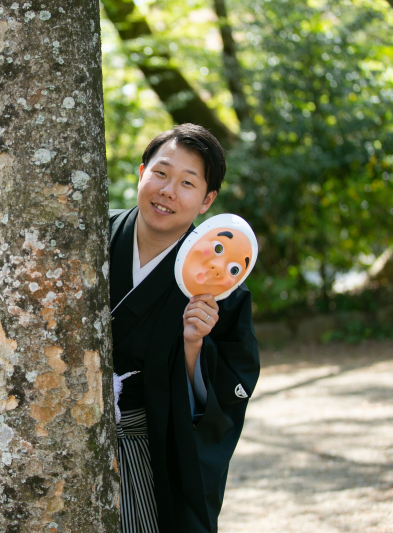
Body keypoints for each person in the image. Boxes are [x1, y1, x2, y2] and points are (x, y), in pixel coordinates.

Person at [109, 124, 260, 532]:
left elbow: (232, 382)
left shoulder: (220, 283)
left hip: (151, 444)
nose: (168, 191)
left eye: (187, 183)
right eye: (160, 173)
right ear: (141, 173)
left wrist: (194, 347)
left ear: (207, 200)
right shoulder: (90, 237)